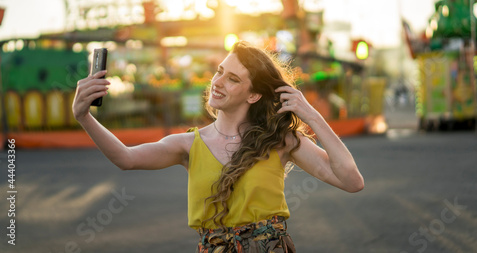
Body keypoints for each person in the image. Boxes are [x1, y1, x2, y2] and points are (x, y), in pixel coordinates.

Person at [72, 41, 364, 252]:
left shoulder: (281, 140)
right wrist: (83, 116)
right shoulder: (188, 144)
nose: (218, 82)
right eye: (220, 71)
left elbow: (352, 181)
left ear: (253, 96)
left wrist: (311, 114)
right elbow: (126, 157)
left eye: (233, 78)